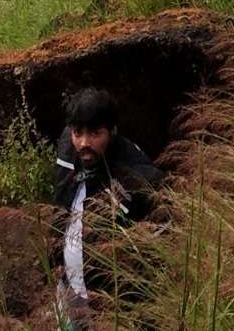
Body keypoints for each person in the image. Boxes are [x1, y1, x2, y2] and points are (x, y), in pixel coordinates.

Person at [51, 88, 165, 318]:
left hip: (112, 306)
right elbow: (60, 208)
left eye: (95, 133)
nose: (84, 142)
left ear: (112, 132)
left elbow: (158, 245)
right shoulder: (68, 150)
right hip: (70, 291)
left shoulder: (137, 178)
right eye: (77, 133)